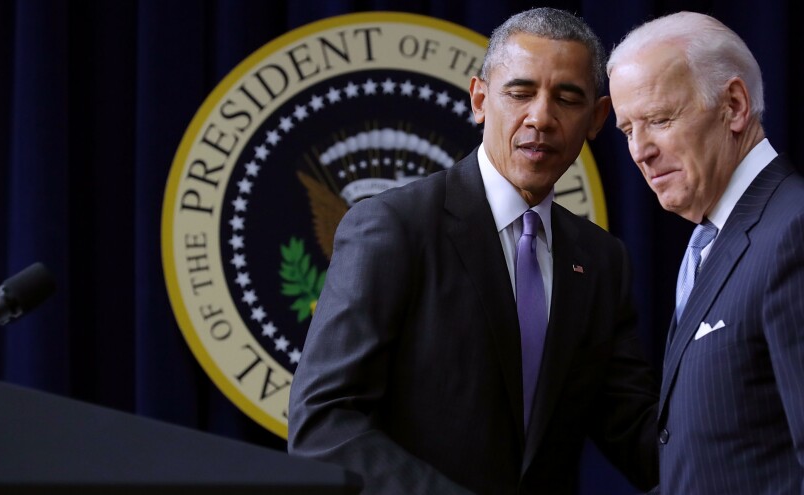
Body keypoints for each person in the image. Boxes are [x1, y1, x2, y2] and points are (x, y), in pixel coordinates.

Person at [288, 7, 659, 494]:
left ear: (596, 118)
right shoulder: (395, 227)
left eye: (567, 99)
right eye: (520, 92)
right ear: (480, 99)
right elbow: (324, 424)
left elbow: (635, 429)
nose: (541, 117)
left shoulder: (602, 260)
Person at [607, 11, 804, 494]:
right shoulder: (710, 240)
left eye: (658, 120)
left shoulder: (794, 231)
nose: (640, 151)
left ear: (734, 105)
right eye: (628, 130)